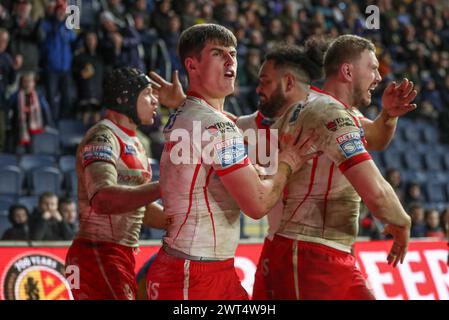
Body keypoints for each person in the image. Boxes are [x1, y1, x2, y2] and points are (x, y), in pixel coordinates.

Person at [145, 24, 317, 301]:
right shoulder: (216, 126)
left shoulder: (189, 114)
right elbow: (258, 205)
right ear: (192, 65)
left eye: (233, 54)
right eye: (218, 54)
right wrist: (287, 163)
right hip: (196, 275)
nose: (230, 61)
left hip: (189, 266)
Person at [264, 34, 414, 300]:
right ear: (347, 71)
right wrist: (402, 221)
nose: (379, 77)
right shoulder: (330, 114)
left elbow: (375, 138)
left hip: (326, 250)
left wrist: (388, 115)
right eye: (373, 67)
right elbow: (376, 192)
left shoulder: (325, 108)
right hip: (309, 252)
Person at [65, 67, 170, 300]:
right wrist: (164, 185)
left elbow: (137, 207)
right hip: (96, 253)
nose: (155, 101)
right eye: (147, 94)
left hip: (115, 253)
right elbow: (103, 199)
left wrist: (179, 221)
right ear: (126, 98)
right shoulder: (102, 136)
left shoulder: (136, 141)